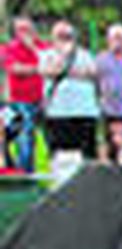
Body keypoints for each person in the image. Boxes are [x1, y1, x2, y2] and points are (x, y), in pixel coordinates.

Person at [40, 20, 100, 158]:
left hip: (84, 112)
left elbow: (92, 72)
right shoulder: (46, 54)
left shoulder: (85, 55)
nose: (64, 39)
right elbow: (50, 71)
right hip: (58, 112)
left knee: (87, 153)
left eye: (67, 35)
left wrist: (71, 70)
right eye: (60, 35)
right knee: (61, 153)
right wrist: (65, 57)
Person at [2, 17, 46, 172]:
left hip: (45, 100)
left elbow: (55, 63)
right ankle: (24, 175)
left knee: (48, 139)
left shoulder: (42, 46)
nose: (24, 32)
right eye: (20, 29)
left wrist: (33, 49)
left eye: (27, 28)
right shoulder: (10, 48)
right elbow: (15, 69)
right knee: (24, 138)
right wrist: (41, 68)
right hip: (20, 101)